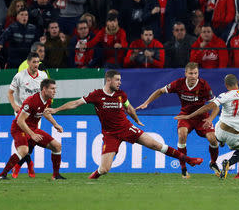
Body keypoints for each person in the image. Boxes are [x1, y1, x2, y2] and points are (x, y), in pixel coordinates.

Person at [44, 70, 203, 179]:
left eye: (120, 80)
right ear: (109, 80)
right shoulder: (96, 95)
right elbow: (76, 103)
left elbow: (129, 108)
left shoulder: (121, 95)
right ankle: (94, 176)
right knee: (105, 169)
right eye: (117, 80)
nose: (120, 82)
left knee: (154, 144)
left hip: (127, 128)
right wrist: (57, 109)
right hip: (110, 134)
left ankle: (188, 160)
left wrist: (136, 120)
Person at [136, 62, 219, 178]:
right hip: (185, 115)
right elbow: (160, 91)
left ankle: (213, 163)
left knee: (212, 139)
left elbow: (215, 105)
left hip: (202, 117)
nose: (193, 76)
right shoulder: (179, 83)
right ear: (186, 73)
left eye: (196, 73)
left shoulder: (204, 85)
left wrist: (210, 118)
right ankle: (183, 168)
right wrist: (147, 102)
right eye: (191, 73)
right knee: (182, 134)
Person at [0, 78, 66, 180]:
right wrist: (32, 134)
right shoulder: (31, 101)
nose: (54, 91)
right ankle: (2, 174)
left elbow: (45, 113)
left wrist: (55, 124)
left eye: (55, 89)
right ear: (44, 89)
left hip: (33, 128)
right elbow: (20, 121)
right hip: (19, 128)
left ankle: (56, 175)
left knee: (57, 146)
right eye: (52, 89)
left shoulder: (48, 100)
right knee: (24, 150)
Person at [8, 52, 48, 178]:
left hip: (36, 114)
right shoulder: (19, 76)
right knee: (24, 141)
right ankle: (27, 164)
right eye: (34, 62)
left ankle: (22, 164)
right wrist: (14, 105)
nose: (36, 64)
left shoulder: (43, 76)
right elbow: (10, 93)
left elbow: (46, 93)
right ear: (28, 62)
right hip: (22, 113)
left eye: (38, 62)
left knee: (32, 141)